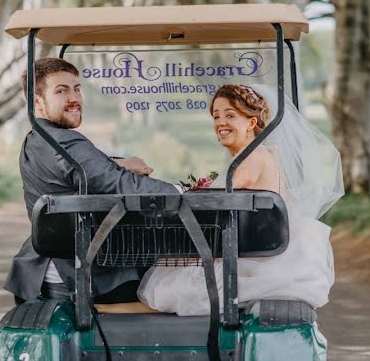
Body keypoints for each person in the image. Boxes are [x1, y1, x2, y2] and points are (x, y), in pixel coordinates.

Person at [137, 83, 345, 315]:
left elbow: (220, 196)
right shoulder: (256, 154)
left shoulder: (251, 158)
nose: (220, 123)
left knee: (167, 288)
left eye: (230, 115)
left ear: (251, 123)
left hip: (257, 261)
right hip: (257, 249)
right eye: (216, 116)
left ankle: (105, 309)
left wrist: (182, 196)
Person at [4, 57, 178, 304]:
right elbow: (117, 184)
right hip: (83, 273)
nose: (74, 98)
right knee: (179, 283)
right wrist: (179, 191)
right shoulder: (65, 142)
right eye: (61, 91)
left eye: (76, 89)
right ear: (37, 102)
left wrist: (118, 162)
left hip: (44, 265)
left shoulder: (38, 139)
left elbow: (81, 168)